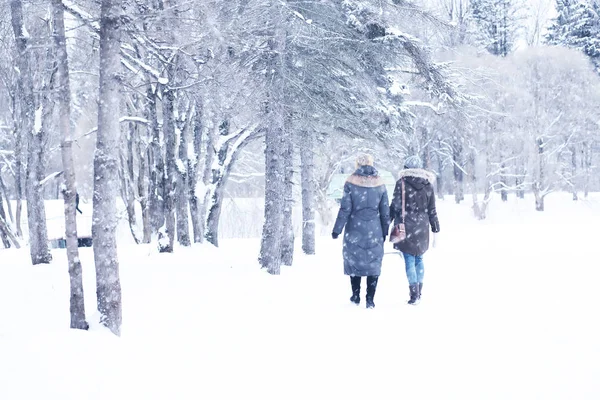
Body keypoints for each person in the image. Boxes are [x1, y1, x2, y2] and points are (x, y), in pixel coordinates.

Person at [332, 154, 390, 309]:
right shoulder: (380, 183)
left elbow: (345, 209)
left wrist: (337, 229)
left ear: (357, 165)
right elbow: (385, 211)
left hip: (354, 228)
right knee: (373, 263)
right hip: (375, 228)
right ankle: (370, 299)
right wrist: (385, 230)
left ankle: (356, 295)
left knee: (354, 261)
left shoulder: (350, 182)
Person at [390, 155, 440, 305]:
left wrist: (386, 221)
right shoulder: (428, 185)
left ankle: (414, 294)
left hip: (406, 226)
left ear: (406, 168)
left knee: (409, 259)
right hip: (423, 227)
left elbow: (395, 206)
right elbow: (432, 210)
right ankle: (419, 290)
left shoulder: (402, 183)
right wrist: (435, 228)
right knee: (419, 258)